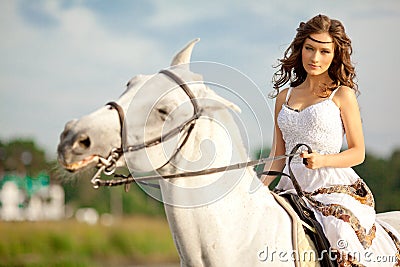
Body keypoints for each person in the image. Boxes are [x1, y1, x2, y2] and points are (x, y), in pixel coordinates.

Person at [262, 14, 400, 266]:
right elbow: (277, 154)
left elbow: (358, 153)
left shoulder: (342, 95)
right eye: (309, 48)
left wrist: (322, 159)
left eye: (324, 51)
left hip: (331, 187)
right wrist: (259, 187)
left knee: (340, 233)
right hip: (290, 187)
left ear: (335, 54)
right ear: (300, 48)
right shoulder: (284, 96)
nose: (315, 58)